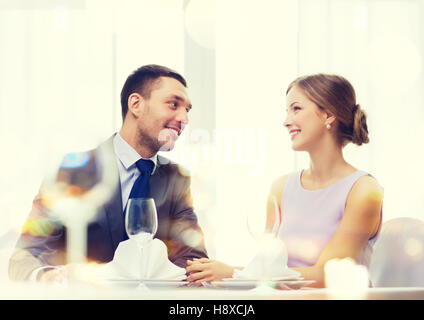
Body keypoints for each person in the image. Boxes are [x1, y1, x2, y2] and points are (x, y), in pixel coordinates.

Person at [9, 64, 208, 282]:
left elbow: (193, 260)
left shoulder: (177, 179)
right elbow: (27, 254)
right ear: (136, 104)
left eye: (187, 110)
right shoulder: (72, 171)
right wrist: (51, 278)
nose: (184, 119)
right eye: (173, 104)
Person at [186, 74, 383, 288]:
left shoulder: (364, 190)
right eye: (287, 111)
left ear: (328, 115)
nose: (286, 121)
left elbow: (326, 276)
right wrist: (218, 277)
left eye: (296, 109)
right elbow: (265, 267)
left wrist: (231, 273)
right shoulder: (281, 187)